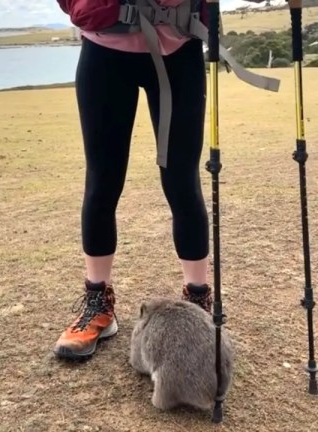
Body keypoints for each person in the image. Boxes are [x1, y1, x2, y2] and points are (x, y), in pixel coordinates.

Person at [52, 0, 273, 360]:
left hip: (178, 50)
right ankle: (98, 303)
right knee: (102, 182)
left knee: (183, 183)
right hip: (103, 49)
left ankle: (198, 298)